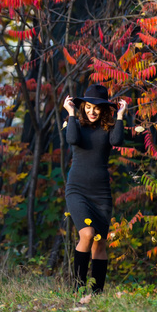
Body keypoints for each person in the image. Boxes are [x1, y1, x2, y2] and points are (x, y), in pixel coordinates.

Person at [62, 84, 127, 293]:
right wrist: (71, 113)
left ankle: (96, 294)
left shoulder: (108, 128)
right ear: (83, 107)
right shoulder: (74, 124)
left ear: (103, 110)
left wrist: (120, 116)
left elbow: (117, 140)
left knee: (99, 243)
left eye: (96, 108)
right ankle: (77, 289)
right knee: (87, 234)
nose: (91, 111)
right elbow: (71, 140)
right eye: (88, 107)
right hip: (77, 190)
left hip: (101, 193)